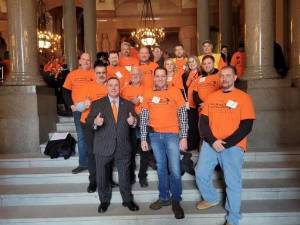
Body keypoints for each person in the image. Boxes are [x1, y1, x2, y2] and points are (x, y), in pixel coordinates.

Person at [195, 66, 256, 225]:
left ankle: (233, 217)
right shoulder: (212, 97)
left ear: (235, 78)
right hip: (211, 143)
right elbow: (203, 122)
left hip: (233, 145)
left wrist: (226, 143)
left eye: (228, 75)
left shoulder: (243, 97)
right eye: (222, 76)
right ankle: (211, 198)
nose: (225, 78)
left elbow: (247, 125)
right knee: (200, 172)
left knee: (232, 181)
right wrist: (213, 140)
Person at [140, 67, 188, 219]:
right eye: (157, 76)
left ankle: (176, 200)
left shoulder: (175, 91)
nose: (160, 78)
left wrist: (184, 136)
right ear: (154, 78)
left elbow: (182, 115)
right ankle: (164, 198)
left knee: (174, 168)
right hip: (155, 136)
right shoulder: (148, 92)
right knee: (161, 167)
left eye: (162, 76)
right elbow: (144, 117)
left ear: (166, 77)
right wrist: (143, 138)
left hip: (172, 135)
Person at [86, 77, 139, 213]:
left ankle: (127, 200)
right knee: (102, 176)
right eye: (111, 85)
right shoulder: (98, 103)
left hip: (123, 146)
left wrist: (133, 121)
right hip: (103, 147)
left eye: (116, 85)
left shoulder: (127, 104)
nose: (114, 88)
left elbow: (134, 120)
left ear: (119, 87)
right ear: (106, 87)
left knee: (125, 176)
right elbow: (89, 121)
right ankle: (104, 201)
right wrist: (95, 123)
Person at [79, 61, 118, 193]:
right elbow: (79, 106)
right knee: (91, 153)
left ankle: (108, 180)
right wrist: (85, 104)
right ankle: (93, 181)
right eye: (98, 73)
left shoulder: (110, 86)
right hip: (88, 123)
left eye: (103, 73)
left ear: (106, 74)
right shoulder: (87, 86)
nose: (101, 75)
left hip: (107, 124)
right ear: (94, 73)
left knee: (108, 152)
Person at [121, 66, 156, 187]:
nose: (135, 76)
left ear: (141, 76)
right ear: (130, 76)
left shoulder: (147, 89)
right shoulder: (124, 89)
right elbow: (120, 106)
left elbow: (151, 104)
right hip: (129, 122)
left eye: (137, 74)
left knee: (144, 149)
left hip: (144, 121)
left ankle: (142, 176)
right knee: (129, 150)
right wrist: (131, 102)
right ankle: (130, 175)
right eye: (133, 74)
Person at [63, 53, 95, 174]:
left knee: (96, 136)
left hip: (93, 110)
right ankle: (83, 163)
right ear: (80, 61)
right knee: (81, 137)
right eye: (84, 59)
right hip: (79, 111)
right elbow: (65, 91)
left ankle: (96, 162)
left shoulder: (94, 74)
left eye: (88, 60)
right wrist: (71, 105)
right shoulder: (72, 74)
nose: (86, 61)